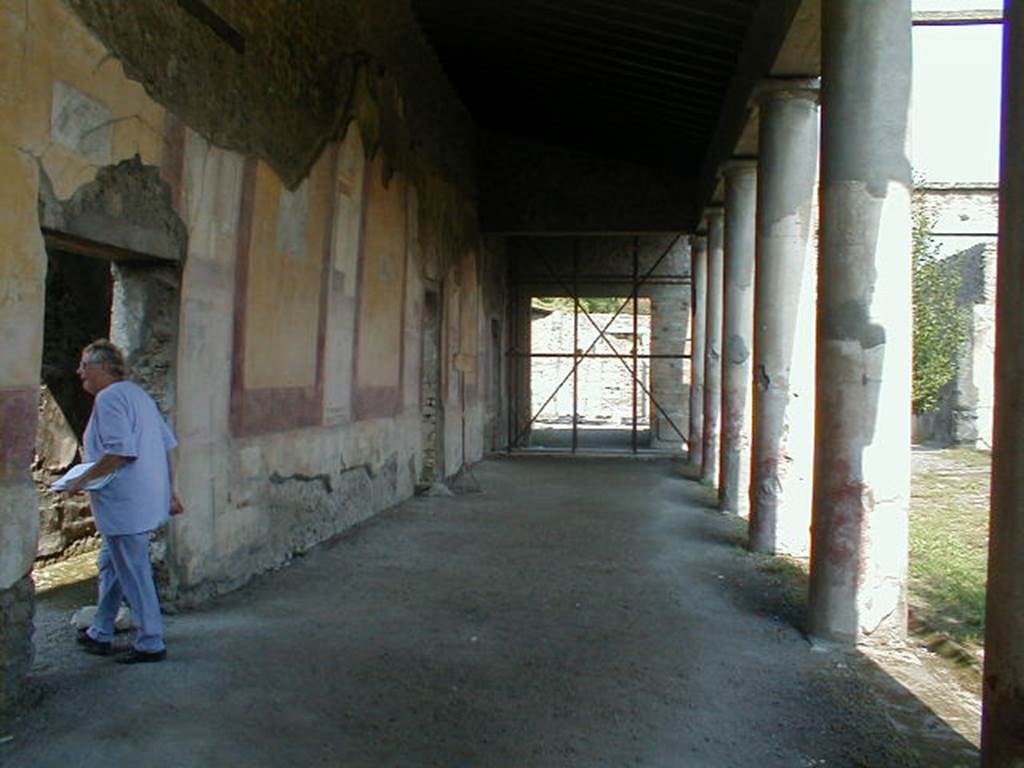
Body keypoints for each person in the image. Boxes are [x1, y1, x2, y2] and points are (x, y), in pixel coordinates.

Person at [66, 339, 184, 664]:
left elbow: (120, 451)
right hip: (144, 500)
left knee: (133, 570)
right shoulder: (138, 395)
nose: (79, 372)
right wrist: (169, 490)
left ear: (104, 367)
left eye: (84, 365)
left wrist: (79, 481)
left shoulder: (109, 398)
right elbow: (169, 445)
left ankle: (151, 640)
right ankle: (101, 630)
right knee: (112, 564)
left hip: (125, 503)